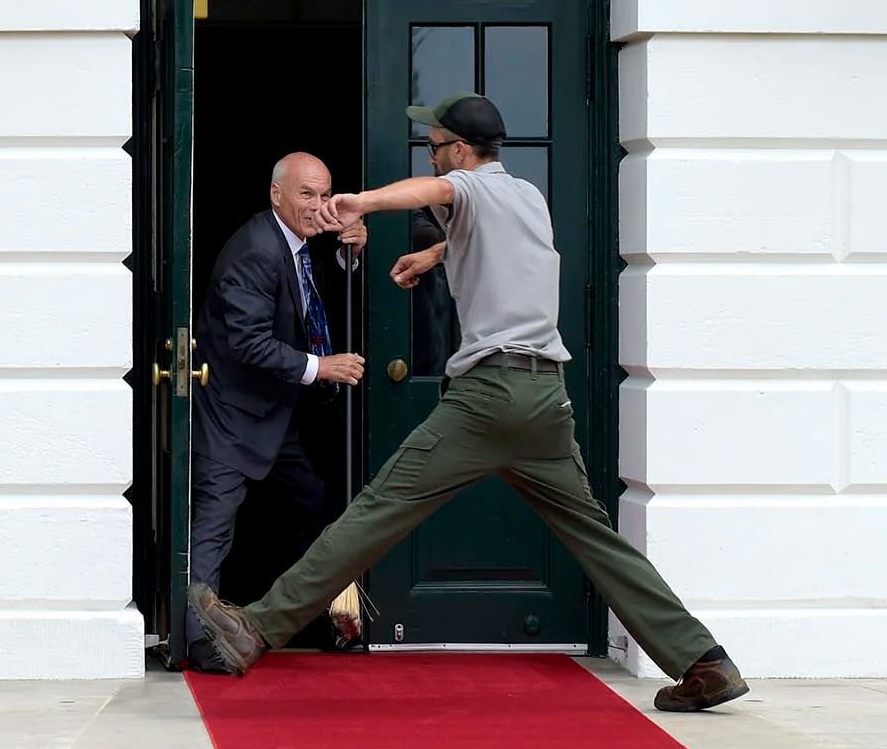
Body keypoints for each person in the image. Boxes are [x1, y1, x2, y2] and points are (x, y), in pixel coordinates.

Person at [190, 94, 747, 712]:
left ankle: (256, 629)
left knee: (376, 512)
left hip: (489, 397)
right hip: (545, 400)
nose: (430, 161)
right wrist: (436, 254)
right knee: (596, 537)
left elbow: (426, 196)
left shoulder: (465, 187)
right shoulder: (528, 196)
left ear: (458, 151)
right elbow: (514, 256)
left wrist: (361, 201)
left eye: (432, 149)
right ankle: (704, 661)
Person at [184, 152, 368, 673]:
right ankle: (202, 644)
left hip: (276, 415)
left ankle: (326, 621)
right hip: (233, 415)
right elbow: (248, 342)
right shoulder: (255, 250)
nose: (318, 205)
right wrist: (321, 367)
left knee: (311, 503)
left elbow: (308, 302)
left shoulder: (297, 246)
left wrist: (347, 257)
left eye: (324, 194)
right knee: (213, 528)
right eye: (306, 194)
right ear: (276, 194)